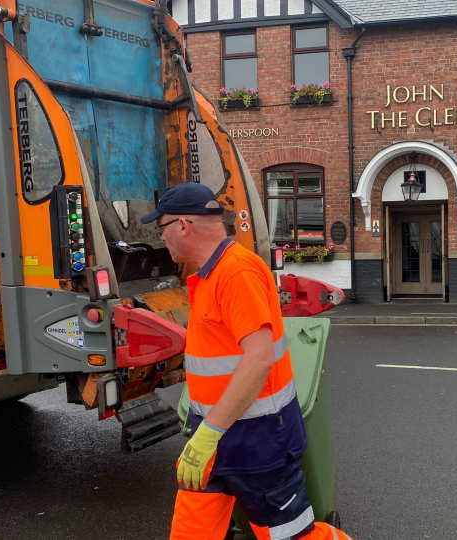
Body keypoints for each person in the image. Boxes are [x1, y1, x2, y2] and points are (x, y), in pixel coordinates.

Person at [141, 183, 353, 540]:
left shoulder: (236, 273)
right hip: (213, 439)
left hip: (258, 442)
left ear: (182, 225)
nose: (161, 237)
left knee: (290, 537)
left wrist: (209, 432)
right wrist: (205, 433)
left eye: (161, 227)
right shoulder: (212, 273)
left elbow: (258, 359)